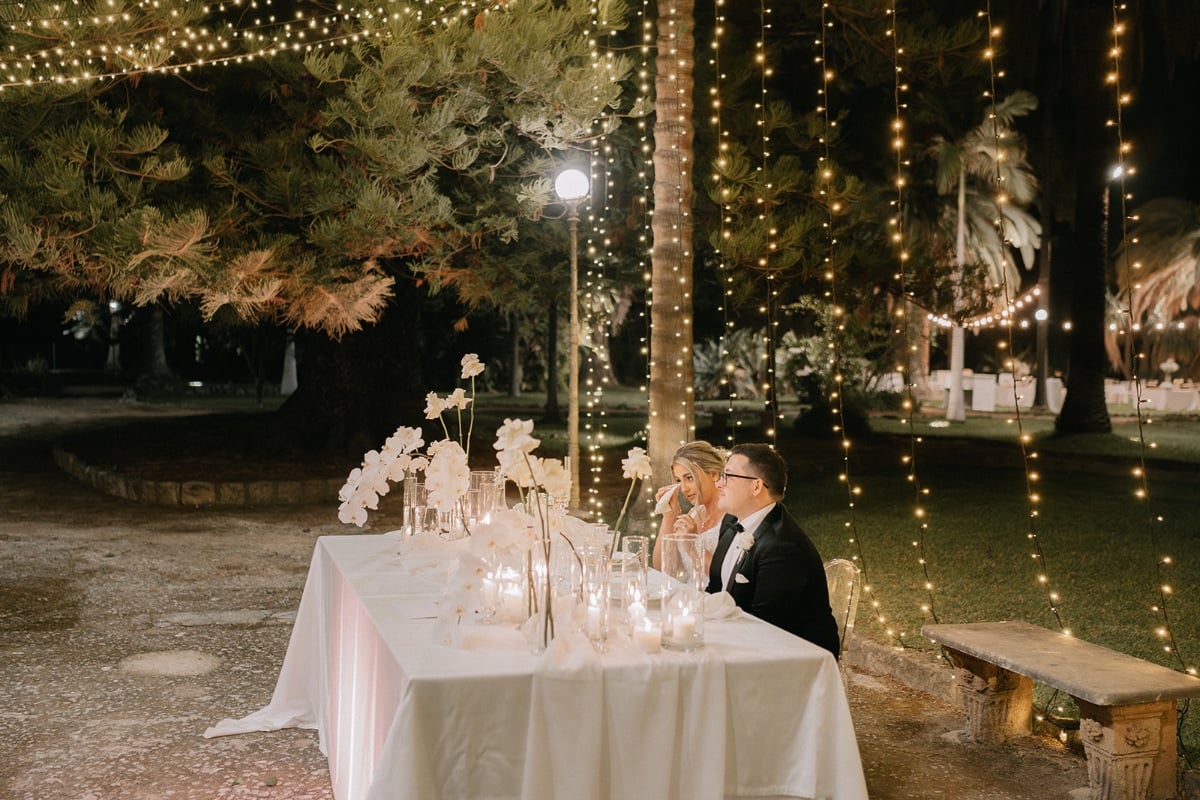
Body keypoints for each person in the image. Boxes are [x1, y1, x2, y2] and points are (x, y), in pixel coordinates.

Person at [706, 442, 840, 659]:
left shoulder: (782, 547)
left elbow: (766, 628)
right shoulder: (732, 522)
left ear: (756, 486)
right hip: (745, 638)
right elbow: (715, 587)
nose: (719, 483)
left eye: (727, 476)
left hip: (796, 657)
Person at [652, 441, 725, 572]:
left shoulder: (733, 516)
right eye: (679, 480)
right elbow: (662, 568)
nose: (684, 489)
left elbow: (726, 575)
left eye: (689, 478)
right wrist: (669, 516)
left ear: (713, 474)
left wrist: (692, 545)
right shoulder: (694, 514)